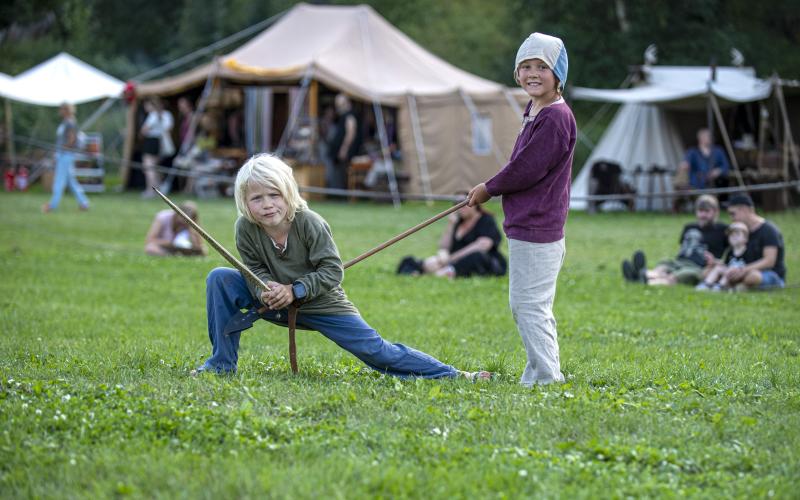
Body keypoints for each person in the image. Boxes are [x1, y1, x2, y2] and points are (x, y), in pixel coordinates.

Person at [192, 154, 490, 381]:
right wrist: (266, 288)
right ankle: (221, 365)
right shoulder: (245, 228)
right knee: (220, 277)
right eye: (257, 198)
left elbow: (332, 271)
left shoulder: (310, 222)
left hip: (322, 303)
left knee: (377, 351)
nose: (267, 204)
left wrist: (295, 289)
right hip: (274, 301)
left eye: (274, 195)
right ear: (244, 202)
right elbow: (253, 269)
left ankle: (457, 375)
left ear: (289, 193)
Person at [466, 32, 575, 386]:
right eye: (525, 66)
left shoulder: (555, 118)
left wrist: (489, 188)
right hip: (527, 223)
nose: (532, 73)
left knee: (528, 306)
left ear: (558, 74)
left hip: (538, 226)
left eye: (542, 67)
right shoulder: (536, 109)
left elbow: (528, 168)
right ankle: (539, 370)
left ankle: (547, 377)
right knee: (530, 305)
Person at [622, 194, 728, 286]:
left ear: (715, 212)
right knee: (664, 265)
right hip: (679, 261)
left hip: (698, 267)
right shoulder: (689, 227)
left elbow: (732, 256)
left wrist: (715, 262)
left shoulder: (722, 230)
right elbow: (682, 247)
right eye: (700, 211)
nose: (703, 215)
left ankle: (647, 281)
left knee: (680, 275)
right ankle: (642, 274)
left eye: (707, 211)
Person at [398, 193, 506, 278]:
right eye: (456, 204)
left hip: (484, 262)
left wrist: (450, 259)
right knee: (408, 261)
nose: (460, 207)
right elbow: (444, 247)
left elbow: (483, 245)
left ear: (474, 204)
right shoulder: (457, 222)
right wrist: (450, 226)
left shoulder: (485, 219)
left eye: (463, 204)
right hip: (452, 262)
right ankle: (427, 272)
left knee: (476, 257)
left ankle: (440, 273)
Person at [724, 193, 786, 290]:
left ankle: (738, 286)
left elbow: (769, 261)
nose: (731, 218)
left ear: (744, 210)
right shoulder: (739, 231)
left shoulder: (769, 230)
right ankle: (737, 286)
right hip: (745, 270)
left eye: (733, 214)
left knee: (752, 277)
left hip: (769, 274)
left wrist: (743, 270)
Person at [41, 103, 90, 213]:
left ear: (67, 110)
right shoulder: (65, 122)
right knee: (71, 182)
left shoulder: (70, 123)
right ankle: (84, 203)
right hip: (62, 154)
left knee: (59, 180)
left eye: (62, 109)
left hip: (65, 155)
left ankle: (52, 206)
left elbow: (72, 139)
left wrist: (61, 149)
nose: (60, 111)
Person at [696, 221, 748, 291]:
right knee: (719, 268)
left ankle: (721, 286)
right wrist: (715, 261)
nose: (734, 237)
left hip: (740, 273)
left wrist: (738, 270)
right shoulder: (730, 252)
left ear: (745, 238)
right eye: (731, 235)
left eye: (737, 234)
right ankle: (707, 284)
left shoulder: (748, 251)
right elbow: (726, 264)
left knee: (728, 271)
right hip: (729, 272)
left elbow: (750, 265)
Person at [139, 97, 174, 198]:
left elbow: (144, 130)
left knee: (148, 167)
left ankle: (151, 189)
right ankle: (158, 189)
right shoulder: (166, 115)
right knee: (155, 167)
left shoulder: (153, 115)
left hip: (152, 141)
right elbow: (169, 128)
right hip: (159, 142)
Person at [326, 94, 361, 191]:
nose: (338, 107)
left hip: (344, 151)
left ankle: (342, 193)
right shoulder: (343, 115)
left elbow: (351, 132)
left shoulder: (349, 115)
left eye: (340, 104)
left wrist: (344, 149)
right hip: (339, 150)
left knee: (343, 173)